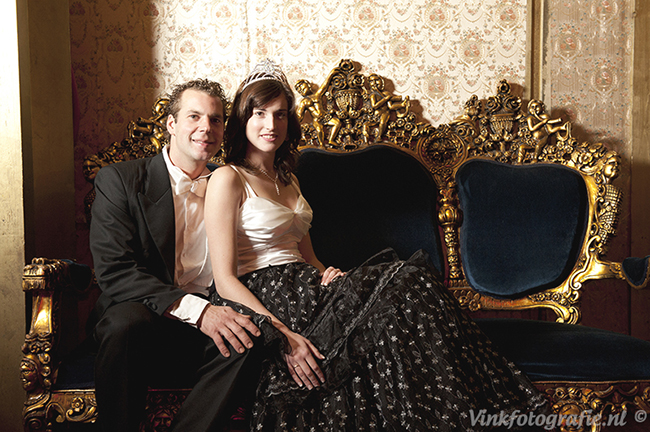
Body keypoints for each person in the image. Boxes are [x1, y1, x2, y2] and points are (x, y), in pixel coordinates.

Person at [205, 60, 548, 431]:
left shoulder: (289, 180)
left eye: (280, 114)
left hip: (307, 285)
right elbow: (224, 280)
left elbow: (308, 256)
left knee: (411, 291)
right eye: (259, 114)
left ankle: (463, 410)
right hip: (267, 298)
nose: (271, 125)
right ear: (243, 118)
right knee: (408, 279)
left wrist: (327, 274)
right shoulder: (228, 178)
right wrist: (282, 335)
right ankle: (490, 407)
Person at [89, 78, 266, 432]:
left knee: (248, 338)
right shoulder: (119, 180)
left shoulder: (231, 184)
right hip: (146, 318)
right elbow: (115, 271)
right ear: (171, 124)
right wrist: (200, 313)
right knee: (125, 324)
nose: (206, 128)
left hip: (208, 320)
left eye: (215, 120)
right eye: (194, 116)